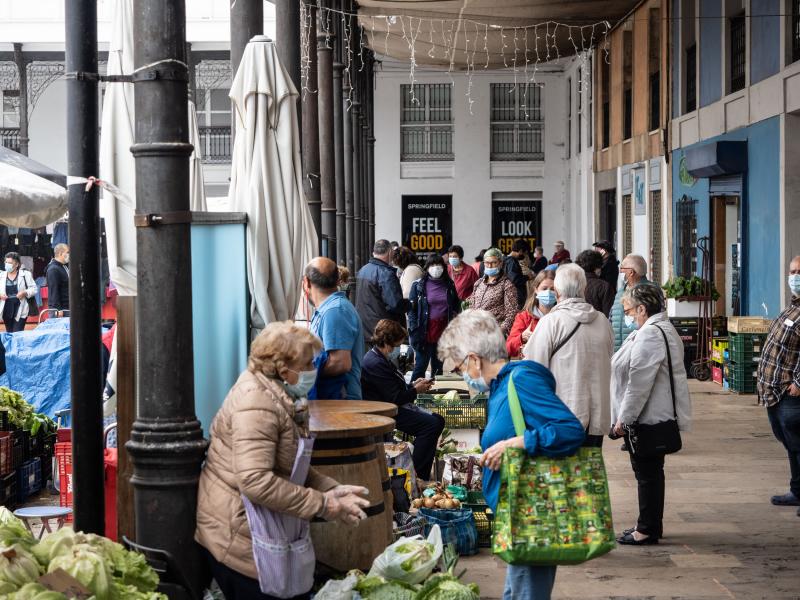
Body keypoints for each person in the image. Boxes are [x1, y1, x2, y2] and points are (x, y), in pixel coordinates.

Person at [196, 322, 370, 599]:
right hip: (236, 535)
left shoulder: (281, 395)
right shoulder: (256, 404)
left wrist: (329, 487)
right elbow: (255, 481)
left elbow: (291, 465)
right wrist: (324, 504)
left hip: (255, 529)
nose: (314, 368)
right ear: (283, 369)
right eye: (308, 363)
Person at [437, 310, 585, 600]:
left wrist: (516, 444)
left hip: (531, 509)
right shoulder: (500, 387)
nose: (461, 376)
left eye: (458, 369)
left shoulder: (522, 380)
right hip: (515, 512)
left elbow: (570, 430)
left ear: (474, 359)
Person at [611, 284, 692, 545]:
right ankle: (648, 525)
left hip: (648, 417)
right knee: (651, 473)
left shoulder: (650, 335)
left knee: (647, 474)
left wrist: (625, 419)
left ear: (642, 308)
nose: (628, 316)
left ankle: (646, 529)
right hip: (657, 413)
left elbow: (638, 384)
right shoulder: (664, 330)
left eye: (629, 311)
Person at [523, 264, 613, 443]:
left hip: (561, 416)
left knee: (562, 469)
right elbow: (609, 356)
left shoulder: (550, 322)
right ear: (584, 289)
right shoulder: (602, 321)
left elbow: (533, 369)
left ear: (557, 291)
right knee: (589, 467)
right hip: (595, 414)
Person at [361, 320, 444, 480]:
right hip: (385, 411)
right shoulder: (375, 363)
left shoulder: (381, 359)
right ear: (387, 342)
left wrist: (413, 384)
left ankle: (421, 471)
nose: (398, 349)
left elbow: (394, 387)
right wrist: (415, 390)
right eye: (397, 345)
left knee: (437, 420)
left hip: (392, 406)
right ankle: (419, 475)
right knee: (431, 425)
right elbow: (395, 398)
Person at [757, 256, 800, 514]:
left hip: (790, 393)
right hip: (774, 393)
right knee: (791, 445)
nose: (794, 277)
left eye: (799, 272)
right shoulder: (792, 308)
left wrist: (797, 383)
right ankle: (797, 490)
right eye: (792, 271)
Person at [305, 258, 363, 400]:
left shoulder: (335, 311)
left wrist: (300, 372)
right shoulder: (329, 309)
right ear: (338, 281)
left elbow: (340, 363)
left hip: (339, 404)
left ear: (306, 282)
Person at [407, 255, 461, 381]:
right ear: (427, 267)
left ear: (444, 267)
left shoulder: (449, 285)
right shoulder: (418, 286)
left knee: (438, 370)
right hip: (424, 331)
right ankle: (413, 396)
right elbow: (411, 311)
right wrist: (414, 330)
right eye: (432, 265)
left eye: (439, 265)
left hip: (442, 332)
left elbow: (455, 305)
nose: (436, 268)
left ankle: (435, 395)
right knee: (420, 367)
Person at [355, 239, 408, 342]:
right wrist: (410, 304)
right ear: (390, 252)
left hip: (365, 329)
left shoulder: (363, 270)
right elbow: (395, 304)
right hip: (383, 332)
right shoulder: (385, 273)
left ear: (373, 253)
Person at [469, 248, 518, 337]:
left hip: (494, 333)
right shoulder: (479, 283)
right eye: (487, 262)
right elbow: (472, 306)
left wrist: (500, 331)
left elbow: (512, 313)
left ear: (500, 263)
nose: (490, 265)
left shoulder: (507, 285)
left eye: (494, 262)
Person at [506, 270, 556, 358]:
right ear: (536, 289)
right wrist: (522, 337)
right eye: (544, 289)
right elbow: (508, 348)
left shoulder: (561, 316)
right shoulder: (524, 317)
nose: (548, 292)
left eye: (552, 289)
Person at [611, 254, 649, 352]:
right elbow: (612, 317)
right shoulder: (620, 291)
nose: (620, 271)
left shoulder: (649, 291)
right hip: (618, 351)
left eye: (622, 268)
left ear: (631, 272)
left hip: (639, 350)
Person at [0, 252, 37, 333]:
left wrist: (24, 292)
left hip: (21, 308)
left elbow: (34, 289)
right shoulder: (1, 275)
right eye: (6, 262)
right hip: (6, 309)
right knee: (9, 332)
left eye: (10, 263)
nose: (7, 265)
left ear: (17, 264)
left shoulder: (25, 274)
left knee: (17, 332)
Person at [575, 249, 615, 317]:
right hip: (598, 325)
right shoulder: (604, 286)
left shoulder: (572, 284)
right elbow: (609, 314)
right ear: (597, 267)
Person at [506, 239, 532, 309]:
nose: (525, 256)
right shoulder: (512, 262)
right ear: (520, 251)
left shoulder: (506, 260)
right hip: (516, 297)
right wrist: (528, 277)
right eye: (525, 253)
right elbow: (515, 279)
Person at [46, 244, 70, 316]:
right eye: (68, 252)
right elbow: (54, 290)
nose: (69, 254)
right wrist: (57, 309)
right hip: (60, 310)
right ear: (60, 254)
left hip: (67, 308)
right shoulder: (53, 269)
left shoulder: (64, 266)